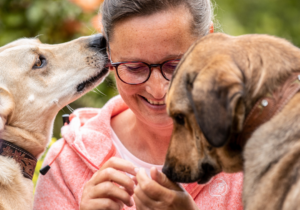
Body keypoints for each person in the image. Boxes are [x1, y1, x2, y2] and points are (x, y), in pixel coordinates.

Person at [34, 0, 243, 209]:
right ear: (109, 55)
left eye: (175, 65)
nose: (158, 89)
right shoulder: (66, 164)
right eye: (135, 67)